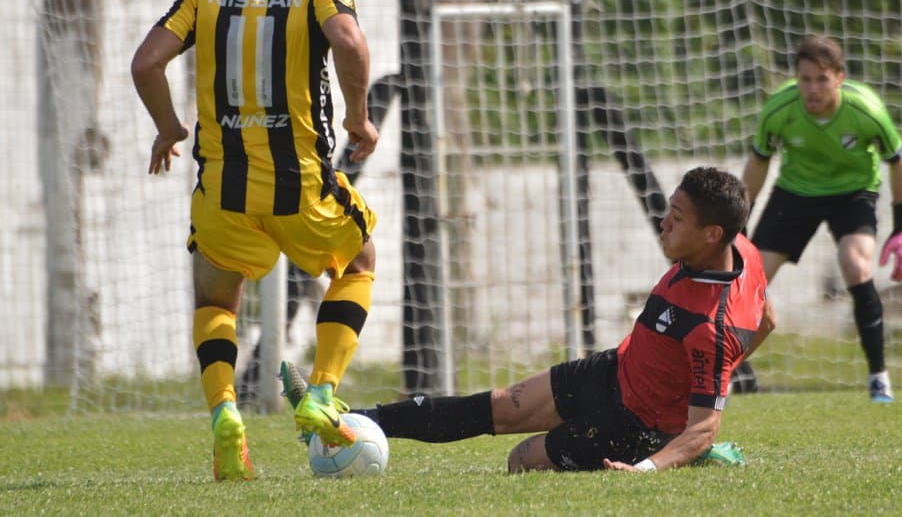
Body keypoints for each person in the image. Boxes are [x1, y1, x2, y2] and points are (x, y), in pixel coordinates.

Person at [283, 167, 775, 472]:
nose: (664, 223)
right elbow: (767, 319)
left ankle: (661, 450)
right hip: (613, 370)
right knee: (496, 405)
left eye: (677, 218)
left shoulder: (712, 326)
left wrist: (650, 463)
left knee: (520, 460)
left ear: (712, 234)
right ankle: (344, 422)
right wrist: (701, 377)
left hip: (634, 425)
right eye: (668, 209)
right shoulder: (743, 252)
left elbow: (705, 425)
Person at [131, 0, 380, 481]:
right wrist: (358, 116)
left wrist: (169, 127)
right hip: (303, 192)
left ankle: (225, 415)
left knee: (216, 302)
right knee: (359, 261)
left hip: (225, 194)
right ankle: (320, 393)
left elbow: (145, 63)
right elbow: (347, 40)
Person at [738, 34, 902, 402]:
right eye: (805, 79)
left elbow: (900, 161)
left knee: (855, 265)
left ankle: (878, 377)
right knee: (748, 277)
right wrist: (740, 225)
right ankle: (725, 371)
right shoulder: (780, 109)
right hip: (795, 192)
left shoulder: (865, 109)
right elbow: (758, 162)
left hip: (853, 193)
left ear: (839, 77)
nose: (812, 89)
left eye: (821, 79)